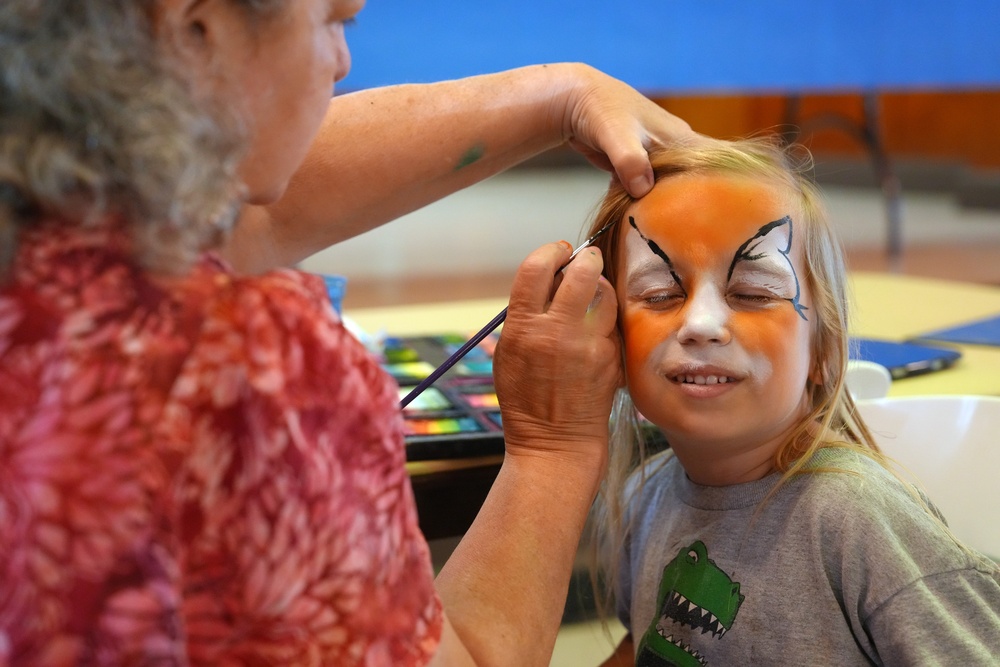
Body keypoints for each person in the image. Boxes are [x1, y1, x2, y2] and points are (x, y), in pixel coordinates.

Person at [0, 0, 696, 665]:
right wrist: (554, 446)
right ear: (194, 28)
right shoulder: (247, 364)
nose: (341, 63)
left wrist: (564, 96)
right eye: (332, 20)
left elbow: (245, 212)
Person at [582, 137, 1000, 666]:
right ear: (613, 341)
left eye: (753, 294)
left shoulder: (856, 522)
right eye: (661, 295)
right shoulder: (644, 498)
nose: (702, 325)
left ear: (824, 350)